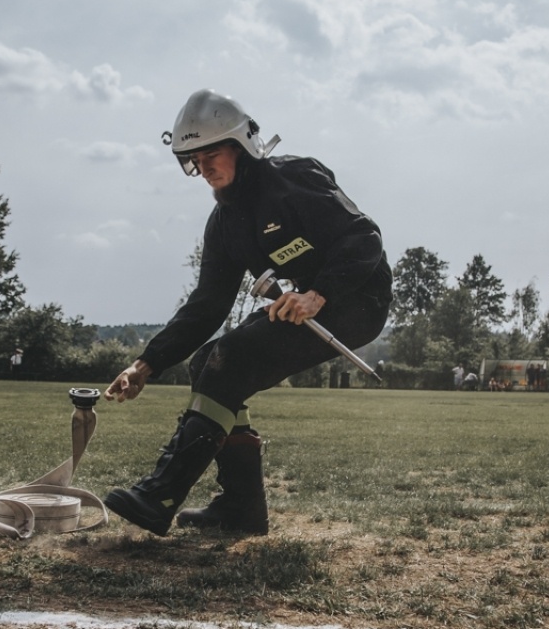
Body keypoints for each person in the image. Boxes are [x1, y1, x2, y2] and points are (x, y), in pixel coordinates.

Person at [102, 89, 392, 536]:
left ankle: (161, 493)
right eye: (194, 158)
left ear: (240, 147)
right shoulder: (225, 223)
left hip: (358, 298)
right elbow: (207, 306)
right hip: (306, 304)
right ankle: (241, 509)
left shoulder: (295, 178)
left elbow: (365, 238)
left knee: (229, 360)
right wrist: (146, 363)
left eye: (212, 153)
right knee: (208, 362)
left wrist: (318, 293)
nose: (203, 167)